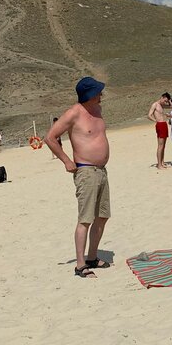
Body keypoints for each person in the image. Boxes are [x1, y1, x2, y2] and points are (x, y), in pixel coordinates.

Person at [45, 76, 111, 278]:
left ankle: (92, 257)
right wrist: (66, 160)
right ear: (90, 94)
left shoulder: (97, 110)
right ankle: (80, 265)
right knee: (85, 219)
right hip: (86, 171)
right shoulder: (74, 113)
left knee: (102, 216)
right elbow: (50, 137)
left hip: (101, 171)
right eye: (98, 92)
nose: (101, 94)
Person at [147, 92, 172, 169]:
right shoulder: (155, 104)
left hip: (164, 124)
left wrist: (169, 100)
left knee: (163, 145)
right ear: (162, 97)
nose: (165, 102)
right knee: (160, 146)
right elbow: (149, 115)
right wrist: (156, 121)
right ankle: (159, 164)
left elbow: (171, 106)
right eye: (165, 100)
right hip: (160, 124)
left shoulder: (162, 105)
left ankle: (162, 162)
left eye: (166, 101)